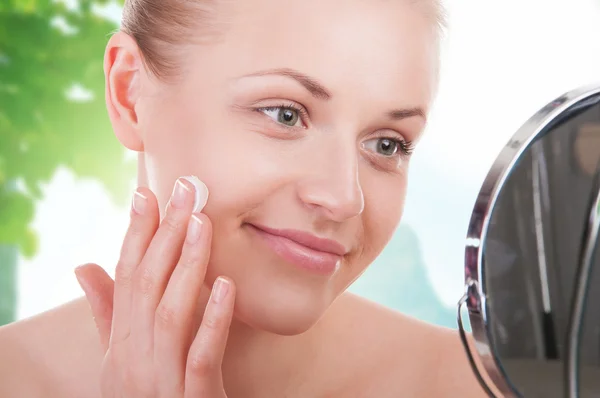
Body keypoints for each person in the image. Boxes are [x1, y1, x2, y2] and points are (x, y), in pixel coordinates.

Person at [0, 0, 493, 396]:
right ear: (130, 93)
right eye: (284, 114)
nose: (344, 198)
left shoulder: (481, 385)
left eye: (387, 144)